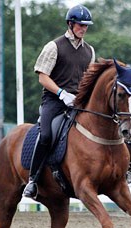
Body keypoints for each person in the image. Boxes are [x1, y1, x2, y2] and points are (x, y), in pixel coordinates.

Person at [23, 4, 95, 199]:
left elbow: (88, 80)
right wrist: (62, 93)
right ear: (70, 24)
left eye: (86, 26)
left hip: (77, 102)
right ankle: (32, 180)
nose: (83, 29)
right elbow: (42, 77)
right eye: (80, 25)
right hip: (54, 101)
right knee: (46, 135)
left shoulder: (89, 51)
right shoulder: (54, 46)